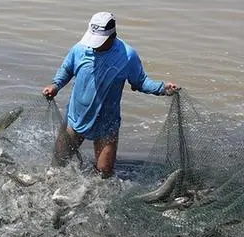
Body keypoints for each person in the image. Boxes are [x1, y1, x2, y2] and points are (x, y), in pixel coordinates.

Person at [42, 12, 179, 178]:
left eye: (98, 41)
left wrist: (162, 88)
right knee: (56, 167)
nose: (94, 45)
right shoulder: (79, 49)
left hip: (107, 124)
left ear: (112, 36)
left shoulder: (127, 56)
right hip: (75, 118)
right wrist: (55, 85)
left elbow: (140, 82)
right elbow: (67, 70)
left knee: (103, 176)